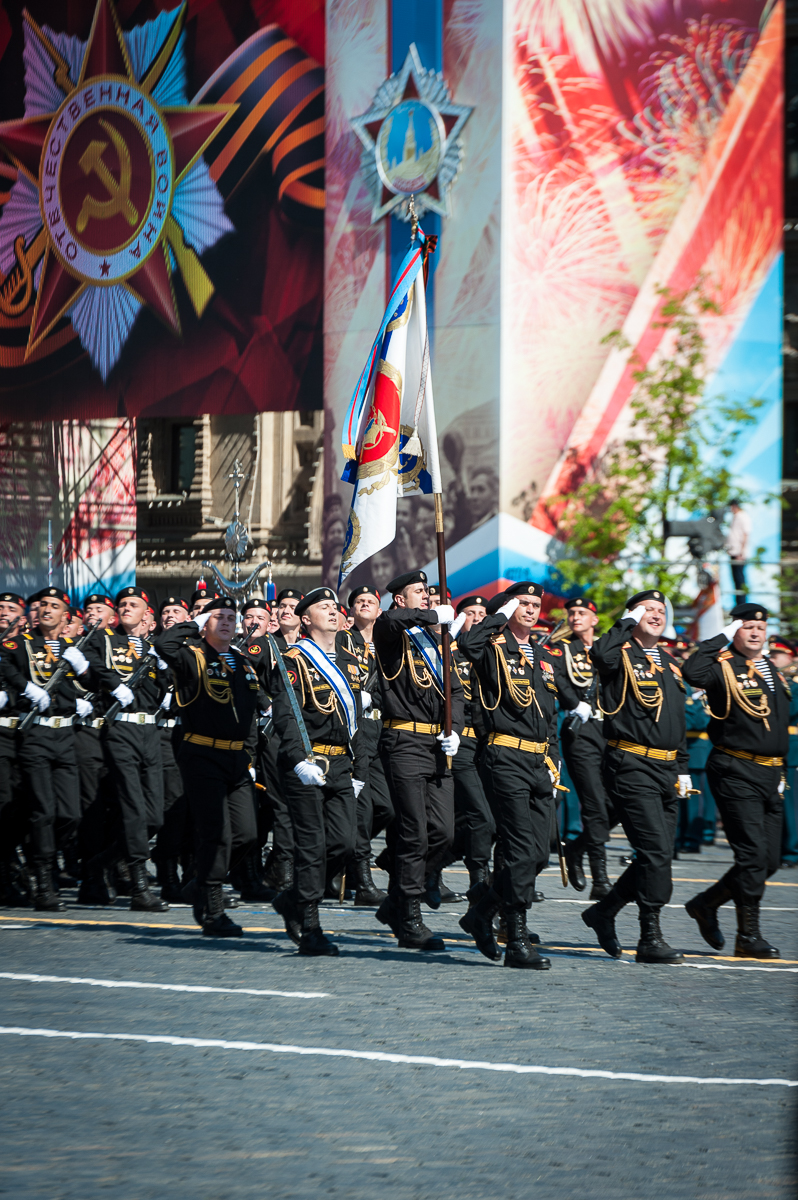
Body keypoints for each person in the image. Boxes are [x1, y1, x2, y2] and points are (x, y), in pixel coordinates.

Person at [583, 590, 689, 964]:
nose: (656, 615)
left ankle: (603, 911)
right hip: (632, 765)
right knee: (655, 853)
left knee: (656, 856)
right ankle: (650, 936)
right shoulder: (620, 653)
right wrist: (627, 620)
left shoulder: (669, 663)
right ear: (633, 615)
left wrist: (684, 767)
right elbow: (599, 655)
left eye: (661, 610)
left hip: (666, 769)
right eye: (648, 610)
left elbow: (677, 721)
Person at [457, 583, 558, 970]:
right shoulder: (492, 647)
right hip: (504, 755)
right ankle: (515, 938)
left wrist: (554, 757)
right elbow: (469, 644)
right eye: (523, 604)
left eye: (535, 605)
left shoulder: (542, 657)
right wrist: (501, 612)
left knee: (538, 853)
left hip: (538, 763)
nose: (531, 610)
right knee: (518, 851)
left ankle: (480, 912)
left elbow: (549, 716)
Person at [682, 604, 788, 958]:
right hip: (736, 768)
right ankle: (749, 935)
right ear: (735, 631)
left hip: (772, 773)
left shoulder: (773, 669)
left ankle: (706, 904)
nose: (755, 632)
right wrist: (720, 638)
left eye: (760, 626)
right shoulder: (723, 668)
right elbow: (692, 671)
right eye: (747, 627)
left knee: (769, 859)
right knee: (753, 855)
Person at [155, 597, 260, 936]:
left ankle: (201, 882)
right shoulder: (191, 656)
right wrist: (194, 623)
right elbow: (162, 643)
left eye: (232, 617)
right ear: (205, 622)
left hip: (236, 757)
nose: (227, 622)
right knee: (216, 833)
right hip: (202, 754)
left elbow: (253, 708)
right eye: (219, 617)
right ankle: (212, 910)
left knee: (246, 833)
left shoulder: (243, 661)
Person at [271, 587, 366, 956]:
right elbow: (288, 714)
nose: (332, 611)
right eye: (322, 607)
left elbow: (355, 721)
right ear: (305, 619)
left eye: (334, 607)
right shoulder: (293, 660)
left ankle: (294, 897)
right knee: (311, 846)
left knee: (344, 842)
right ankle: (310, 926)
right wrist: (298, 759)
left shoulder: (350, 662)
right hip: (307, 763)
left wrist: (359, 766)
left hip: (341, 763)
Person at [373, 569, 463, 952]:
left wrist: (455, 728)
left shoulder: (435, 640)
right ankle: (409, 915)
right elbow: (389, 622)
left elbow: (455, 691)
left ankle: (396, 899)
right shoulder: (392, 634)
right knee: (414, 833)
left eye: (427, 593)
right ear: (399, 598)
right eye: (417, 593)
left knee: (444, 831)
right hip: (404, 741)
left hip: (436, 744)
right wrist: (432, 616)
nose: (425, 598)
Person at [0, 587, 86, 911]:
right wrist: (25, 689)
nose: (47, 610)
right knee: (42, 812)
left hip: (64, 737)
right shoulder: (19, 643)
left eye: (55, 606)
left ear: (66, 617)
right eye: (43, 605)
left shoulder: (69, 648)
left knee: (70, 814)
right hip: (33, 734)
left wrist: (85, 672)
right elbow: (4, 664)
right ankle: (42, 880)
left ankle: (40, 862)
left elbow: (86, 684)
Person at [84, 586, 169, 912]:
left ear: (146, 612)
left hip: (149, 729)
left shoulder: (151, 647)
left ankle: (101, 862)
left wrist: (162, 672)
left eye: (133, 604)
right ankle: (139, 885)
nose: (126, 608)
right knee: (134, 809)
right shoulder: (104, 639)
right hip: (120, 729)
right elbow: (88, 662)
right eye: (122, 604)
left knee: (154, 816)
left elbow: (161, 684)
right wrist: (113, 682)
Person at [550, 597, 614, 899]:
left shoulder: (608, 648)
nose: (576, 618)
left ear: (594, 619)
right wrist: (574, 703)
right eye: (572, 613)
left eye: (582, 613)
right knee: (594, 805)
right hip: (582, 733)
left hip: (612, 733)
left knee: (615, 805)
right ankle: (600, 878)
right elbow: (558, 679)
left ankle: (576, 848)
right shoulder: (562, 649)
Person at [337, 584, 392, 906]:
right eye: (359, 602)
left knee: (386, 807)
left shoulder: (389, 641)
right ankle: (362, 878)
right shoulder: (344, 640)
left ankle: (346, 852)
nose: (365, 605)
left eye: (370, 601)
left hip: (385, 726)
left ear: (379, 609)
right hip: (357, 726)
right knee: (363, 808)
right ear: (352, 610)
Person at [449, 595, 496, 895]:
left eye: (482, 613)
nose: (477, 617)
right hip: (461, 739)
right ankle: (479, 881)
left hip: (489, 742)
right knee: (481, 816)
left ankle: (431, 867)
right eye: (470, 612)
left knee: (473, 818)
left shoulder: (494, 652)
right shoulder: (448, 652)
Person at [0, 591, 30, 905]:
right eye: (0, 608)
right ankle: (6, 873)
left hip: (24, 733)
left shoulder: (25, 646)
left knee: (27, 805)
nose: (3, 613)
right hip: (2, 737)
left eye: (10, 609)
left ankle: (16, 864)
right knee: (4, 805)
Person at [767, 637, 798, 868]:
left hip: (793, 750)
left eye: (776, 656)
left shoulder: (791, 683)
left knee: (791, 804)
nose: (772, 660)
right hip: (777, 749)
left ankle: (791, 851)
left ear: (791, 658)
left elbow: (788, 710)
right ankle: (782, 848)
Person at [725, 499, 751, 604]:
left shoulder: (743, 516)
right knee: (735, 579)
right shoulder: (735, 517)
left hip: (739, 553)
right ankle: (738, 603)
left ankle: (742, 603)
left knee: (740, 579)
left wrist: (741, 552)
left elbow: (745, 534)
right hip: (733, 552)